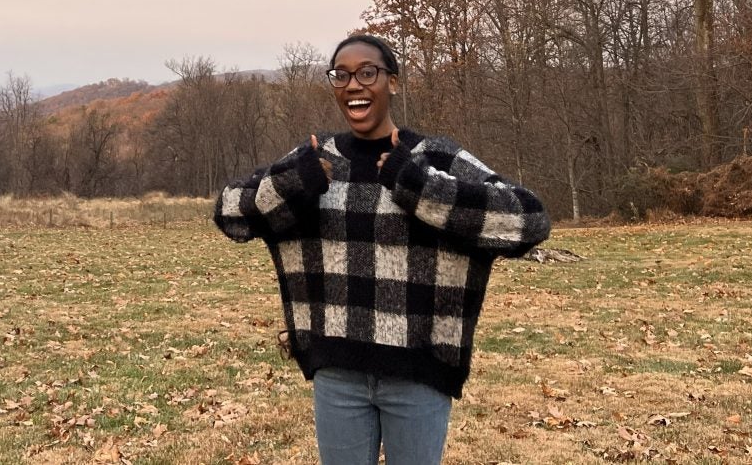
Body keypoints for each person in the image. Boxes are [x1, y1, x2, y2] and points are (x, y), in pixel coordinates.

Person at [213, 33, 551, 465]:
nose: (354, 84)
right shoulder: (316, 160)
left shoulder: (434, 158)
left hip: (419, 375)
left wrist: (418, 186)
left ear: (392, 82)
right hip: (337, 376)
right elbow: (230, 214)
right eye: (342, 75)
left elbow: (529, 220)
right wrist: (292, 185)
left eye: (367, 72)